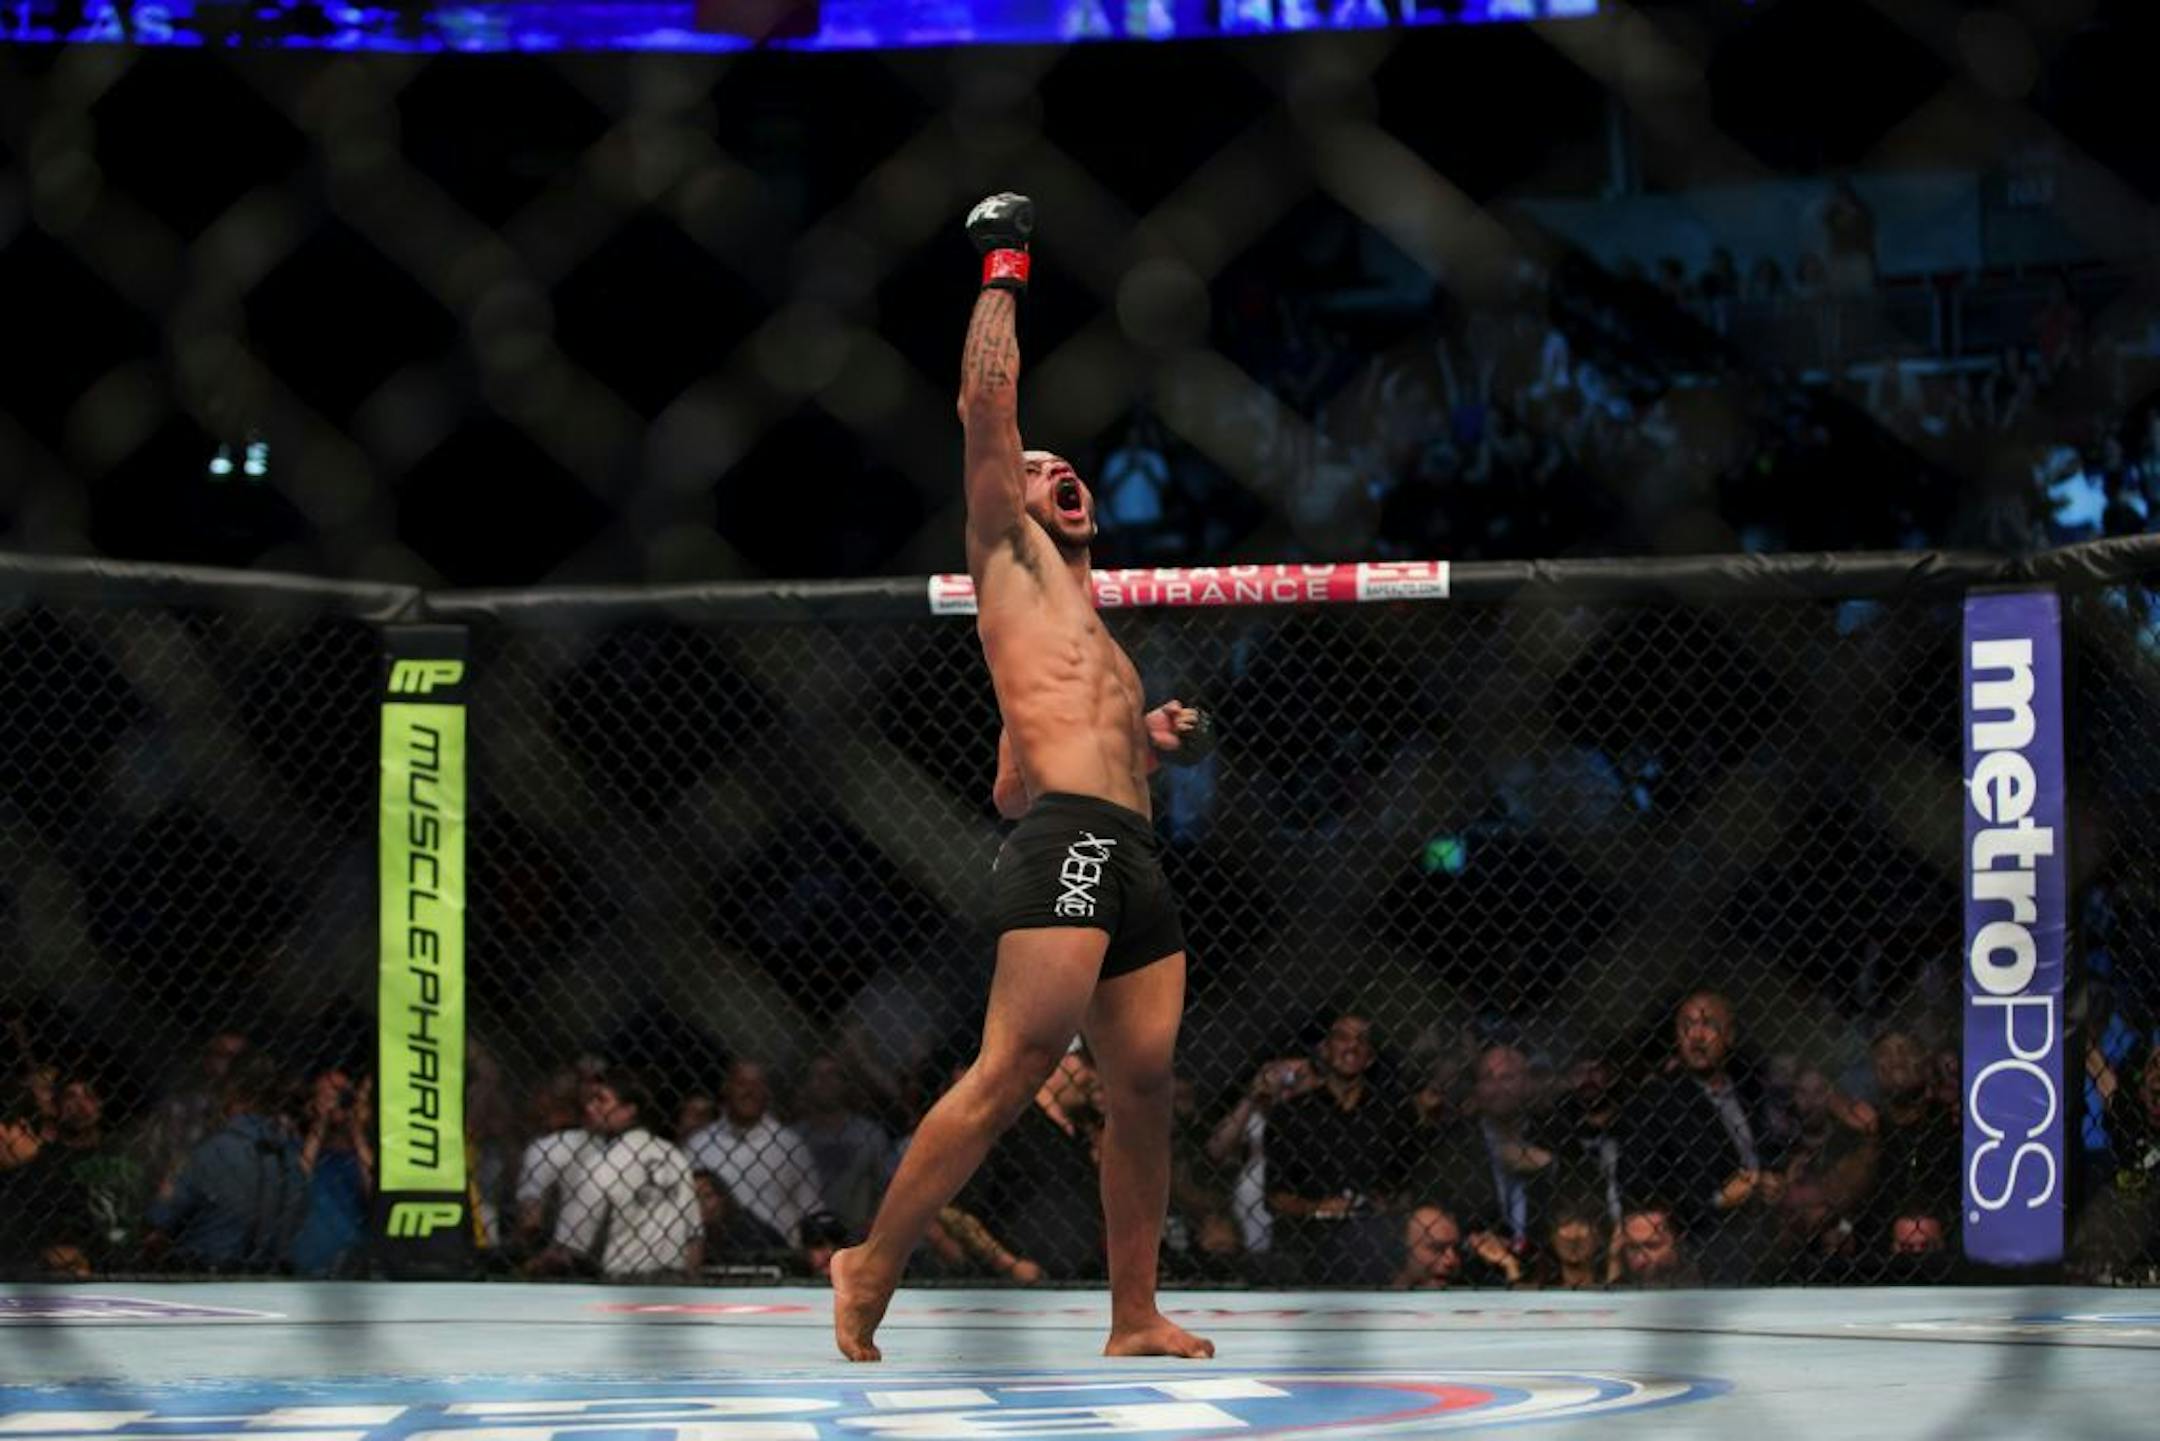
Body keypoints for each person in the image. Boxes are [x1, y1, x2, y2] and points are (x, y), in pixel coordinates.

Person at [830, 192, 1215, 1364]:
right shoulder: (1004, 553)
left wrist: (1149, 743)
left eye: (1065, 466)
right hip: (1072, 848)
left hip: (1128, 846)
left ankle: (1134, 1311)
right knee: (1014, 1070)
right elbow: (986, 406)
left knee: (1142, 1085)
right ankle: (872, 1259)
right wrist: (1005, 261)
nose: (1054, 468)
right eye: (1037, 465)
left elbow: (1007, 783)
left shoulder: (1096, 629)